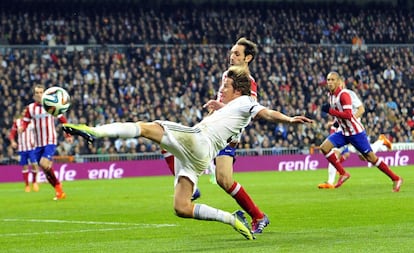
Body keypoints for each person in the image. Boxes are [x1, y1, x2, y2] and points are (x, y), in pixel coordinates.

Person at [62, 66, 313, 240]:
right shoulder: (232, 105)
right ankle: (233, 219)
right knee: (181, 207)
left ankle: (95, 131)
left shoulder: (247, 101)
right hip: (198, 157)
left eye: (225, 86)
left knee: (148, 128)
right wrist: (220, 106)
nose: (221, 90)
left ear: (237, 89)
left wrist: (289, 119)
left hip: (199, 140)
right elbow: (236, 110)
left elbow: (267, 113)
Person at [163, 37, 269, 234]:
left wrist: (220, 107)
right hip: (210, 132)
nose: (231, 57)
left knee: (224, 180)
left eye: (237, 54)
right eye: (231, 53)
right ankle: (193, 190)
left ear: (248, 58)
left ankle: (259, 216)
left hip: (227, 136)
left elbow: (248, 111)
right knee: (169, 142)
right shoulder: (226, 75)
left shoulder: (250, 83)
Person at [319, 71, 403, 192]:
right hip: (343, 132)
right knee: (324, 147)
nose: (330, 82)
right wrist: (337, 121)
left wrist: (331, 112)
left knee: (371, 158)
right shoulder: (330, 95)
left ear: (338, 81)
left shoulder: (344, 95)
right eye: (328, 80)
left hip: (355, 132)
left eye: (333, 80)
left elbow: (348, 115)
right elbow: (341, 114)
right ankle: (343, 173)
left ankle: (395, 178)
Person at [19, 84, 73, 200]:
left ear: (44, 93)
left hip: (50, 140)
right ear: (34, 95)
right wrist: (22, 128)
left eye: (41, 92)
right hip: (38, 143)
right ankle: (59, 190)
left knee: (44, 164)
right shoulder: (30, 108)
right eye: (37, 93)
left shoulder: (51, 105)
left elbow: (62, 119)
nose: (39, 94)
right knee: (46, 168)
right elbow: (25, 121)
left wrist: (67, 134)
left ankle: (58, 187)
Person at [9, 111, 40, 192]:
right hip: (22, 148)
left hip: (32, 147)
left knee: (34, 164)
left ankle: (34, 182)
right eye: (23, 112)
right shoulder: (17, 122)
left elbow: (38, 132)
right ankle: (27, 185)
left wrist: (36, 141)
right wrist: (12, 141)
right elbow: (12, 133)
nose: (24, 113)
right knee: (25, 166)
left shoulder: (33, 121)